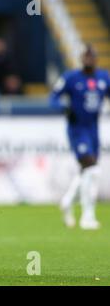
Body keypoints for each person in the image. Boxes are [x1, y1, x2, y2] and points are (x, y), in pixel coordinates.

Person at [50, 44, 110, 230]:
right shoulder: (71, 77)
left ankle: (67, 202)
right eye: (85, 56)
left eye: (91, 56)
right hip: (77, 129)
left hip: (93, 129)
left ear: (96, 58)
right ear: (81, 58)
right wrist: (64, 109)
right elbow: (53, 97)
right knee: (91, 167)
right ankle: (87, 216)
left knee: (88, 171)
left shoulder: (103, 77)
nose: (88, 59)